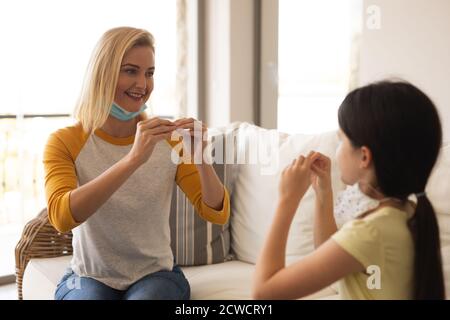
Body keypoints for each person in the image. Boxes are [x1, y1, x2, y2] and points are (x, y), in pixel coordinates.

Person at [44, 26, 230, 300]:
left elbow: (216, 212)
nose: (143, 84)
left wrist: (201, 158)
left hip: (156, 275)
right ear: (103, 75)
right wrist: (133, 159)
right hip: (88, 276)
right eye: (131, 71)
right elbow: (61, 217)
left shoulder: (170, 141)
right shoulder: (64, 142)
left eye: (149, 73)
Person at [253, 80, 445, 300]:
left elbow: (264, 292)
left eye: (341, 139)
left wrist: (287, 199)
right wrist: (323, 194)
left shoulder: (371, 232)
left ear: (364, 156)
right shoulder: (406, 213)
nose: (338, 148)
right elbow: (333, 259)